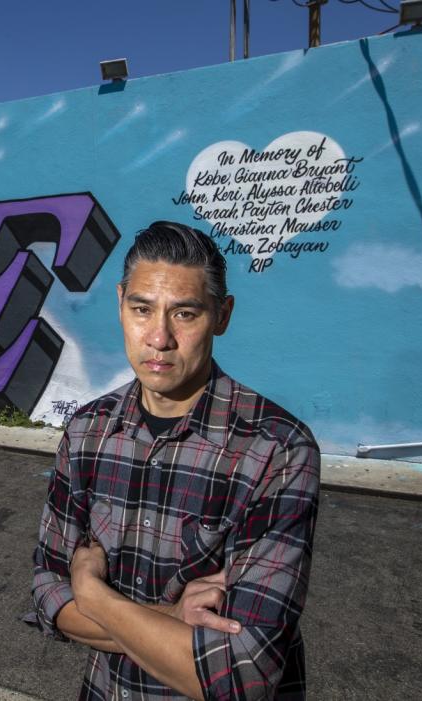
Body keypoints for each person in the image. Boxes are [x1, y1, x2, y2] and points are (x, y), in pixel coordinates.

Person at [30, 221, 320, 700]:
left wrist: (93, 594)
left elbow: (243, 673)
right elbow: (46, 595)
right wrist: (167, 618)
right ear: (120, 303)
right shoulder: (88, 432)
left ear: (221, 316)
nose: (159, 338)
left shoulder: (277, 450)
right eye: (142, 309)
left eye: (184, 314)